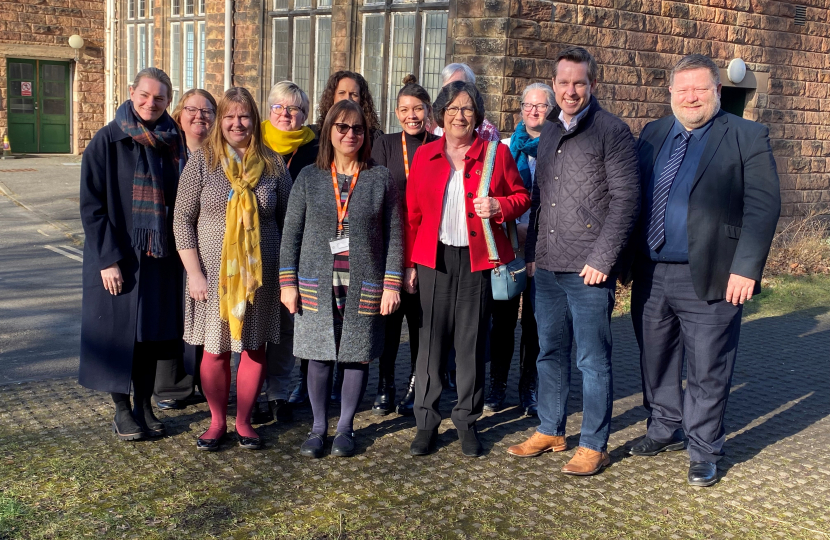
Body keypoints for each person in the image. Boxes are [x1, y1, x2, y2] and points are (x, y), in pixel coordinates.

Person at [628, 55, 780, 487]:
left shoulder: (747, 135)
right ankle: (663, 427)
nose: (690, 97)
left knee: (708, 367)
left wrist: (746, 268)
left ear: (717, 91)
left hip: (714, 274)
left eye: (699, 89)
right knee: (654, 359)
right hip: (652, 272)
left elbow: (763, 207)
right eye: (682, 89)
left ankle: (704, 449)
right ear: (671, 93)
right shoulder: (653, 134)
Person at [508, 46, 640, 476]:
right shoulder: (547, 130)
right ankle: (550, 428)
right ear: (554, 84)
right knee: (549, 351)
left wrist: (605, 257)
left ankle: (594, 443)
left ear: (592, 85)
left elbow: (626, 200)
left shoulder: (612, 131)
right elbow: (540, 198)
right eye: (563, 82)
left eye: (578, 82)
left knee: (592, 359)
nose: (570, 90)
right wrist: (530, 257)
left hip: (588, 270)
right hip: (546, 266)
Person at [405, 81, 530, 457]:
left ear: (478, 116)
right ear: (441, 114)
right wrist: (410, 265)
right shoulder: (426, 156)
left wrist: (500, 207)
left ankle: (467, 420)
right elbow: (411, 217)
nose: (460, 116)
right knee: (430, 344)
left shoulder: (496, 154)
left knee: (471, 343)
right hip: (433, 260)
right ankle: (426, 421)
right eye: (453, 109)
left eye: (468, 109)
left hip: (478, 262)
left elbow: (522, 196)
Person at [280, 99, 404, 458]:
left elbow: (395, 234)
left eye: (358, 129)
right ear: (329, 132)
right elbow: (291, 234)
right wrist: (287, 283)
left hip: (363, 282)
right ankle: (319, 427)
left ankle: (346, 428)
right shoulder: (309, 177)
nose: (350, 134)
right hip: (317, 282)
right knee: (318, 355)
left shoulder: (380, 178)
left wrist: (392, 283)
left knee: (356, 356)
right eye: (342, 127)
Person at [174, 87, 293, 451]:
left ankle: (244, 422)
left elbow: (290, 223)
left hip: (260, 276)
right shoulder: (202, 162)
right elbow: (182, 219)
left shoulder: (273, 163)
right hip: (212, 276)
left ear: (254, 120)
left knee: (254, 348)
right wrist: (194, 273)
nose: (237, 123)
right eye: (229, 116)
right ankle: (216, 421)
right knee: (216, 350)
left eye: (243, 116)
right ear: (219, 121)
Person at [79, 67, 187, 441]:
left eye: (159, 98)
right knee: (117, 336)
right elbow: (91, 205)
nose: (150, 103)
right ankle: (122, 410)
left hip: (160, 259)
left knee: (149, 337)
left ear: (168, 101)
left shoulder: (175, 142)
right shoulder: (108, 140)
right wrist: (107, 259)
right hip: (118, 258)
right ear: (131, 92)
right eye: (144, 95)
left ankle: (144, 404)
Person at [370, 74, 440, 416]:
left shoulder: (438, 146)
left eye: (417, 108)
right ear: (396, 113)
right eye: (404, 109)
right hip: (390, 246)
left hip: (427, 248)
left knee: (419, 323)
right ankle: (385, 385)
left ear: (428, 110)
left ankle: (416, 385)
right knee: (388, 321)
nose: (411, 115)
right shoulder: (384, 144)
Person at [484, 82, 554, 417]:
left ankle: (529, 387)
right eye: (528, 105)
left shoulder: (558, 147)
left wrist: (535, 235)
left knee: (535, 323)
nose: (533, 111)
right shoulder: (504, 148)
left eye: (540, 106)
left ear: (550, 110)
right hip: (509, 246)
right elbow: (495, 192)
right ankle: (497, 383)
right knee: (503, 320)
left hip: (545, 247)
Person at [153, 88, 217, 411]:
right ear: (180, 113)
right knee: (171, 316)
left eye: (207, 112)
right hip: (168, 246)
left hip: (205, 248)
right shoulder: (167, 150)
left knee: (203, 314)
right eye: (192, 110)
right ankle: (172, 386)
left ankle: (205, 382)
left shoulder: (220, 156)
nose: (199, 117)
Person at [260, 80, 320, 422]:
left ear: (304, 115)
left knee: (286, 326)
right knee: (253, 322)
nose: (285, 114)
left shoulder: (315, 149)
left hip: (299, 251)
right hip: (258, 247)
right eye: (279, 107)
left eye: (294, 109)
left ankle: (278, 391)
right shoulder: (254, 144)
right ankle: (250, 392)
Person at [431, 63, 500, 142]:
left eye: (459, 86)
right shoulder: (431, 127)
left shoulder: (488, 132)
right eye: (447, 89)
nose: (453, 93)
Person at [314, 70, 384, 145]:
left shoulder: (375, 138)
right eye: (342, 93)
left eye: (354, 94)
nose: (347, 98)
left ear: (362, 99)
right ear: (332, 97)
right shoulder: (315, 135)